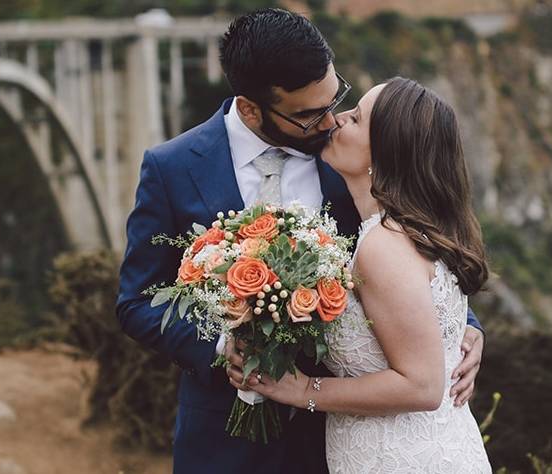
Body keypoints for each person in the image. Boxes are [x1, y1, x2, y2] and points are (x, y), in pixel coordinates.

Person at [116, 9, 485, 474]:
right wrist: (220, 347)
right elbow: (137, 302)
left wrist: (464, 327)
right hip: (222, 440)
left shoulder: (350, 155)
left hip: (344, 434)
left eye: (337, 99)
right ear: (251, 108)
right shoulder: (170, 168)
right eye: (310, 115)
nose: (331, 121)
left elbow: (414, 242)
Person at [229, 77, 492, 473]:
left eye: (356, 118)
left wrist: (304, 390)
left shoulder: (383, 246)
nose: (335, 120)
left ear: (382, 153)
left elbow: (421, 385)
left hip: (404, 459)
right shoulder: (404, 230)